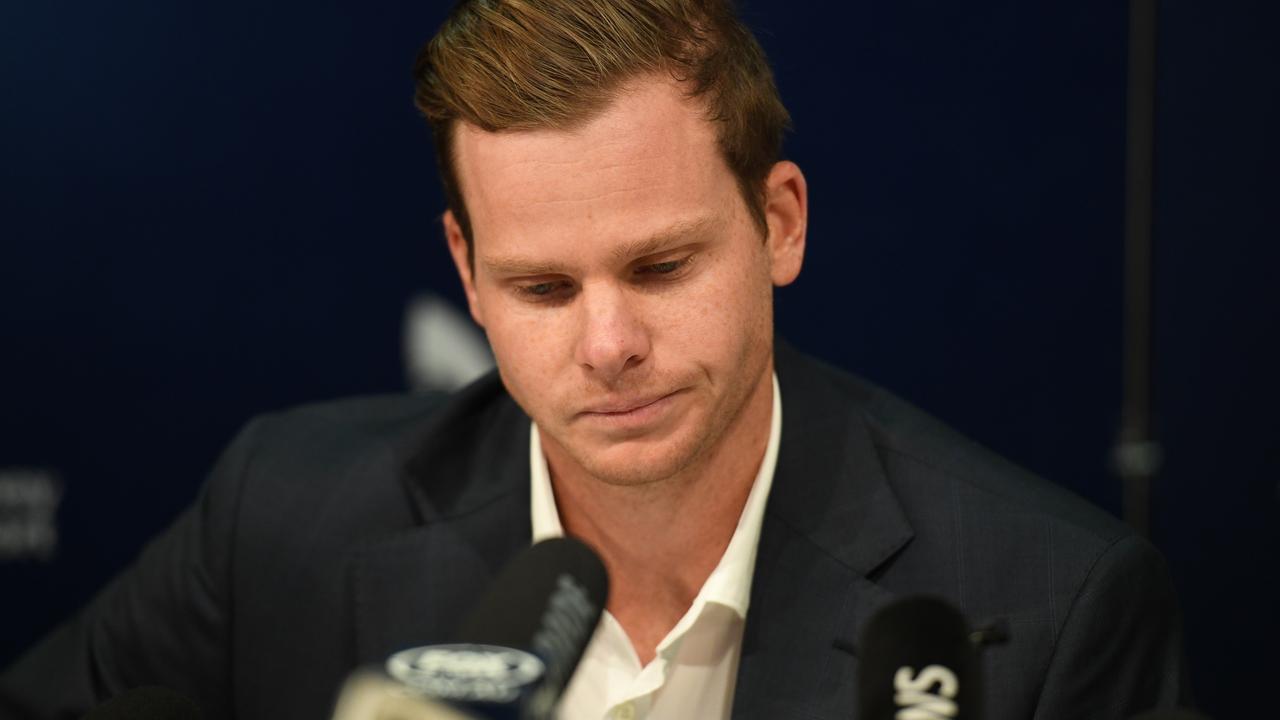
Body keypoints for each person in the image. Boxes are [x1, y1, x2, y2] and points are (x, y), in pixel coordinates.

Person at [0, 1, 1187, 719]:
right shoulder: (281, 522)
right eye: (541, 288)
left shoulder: (1046, 603)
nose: (608, 345)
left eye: (661, 267)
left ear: (779, 222)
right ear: (465, 274)